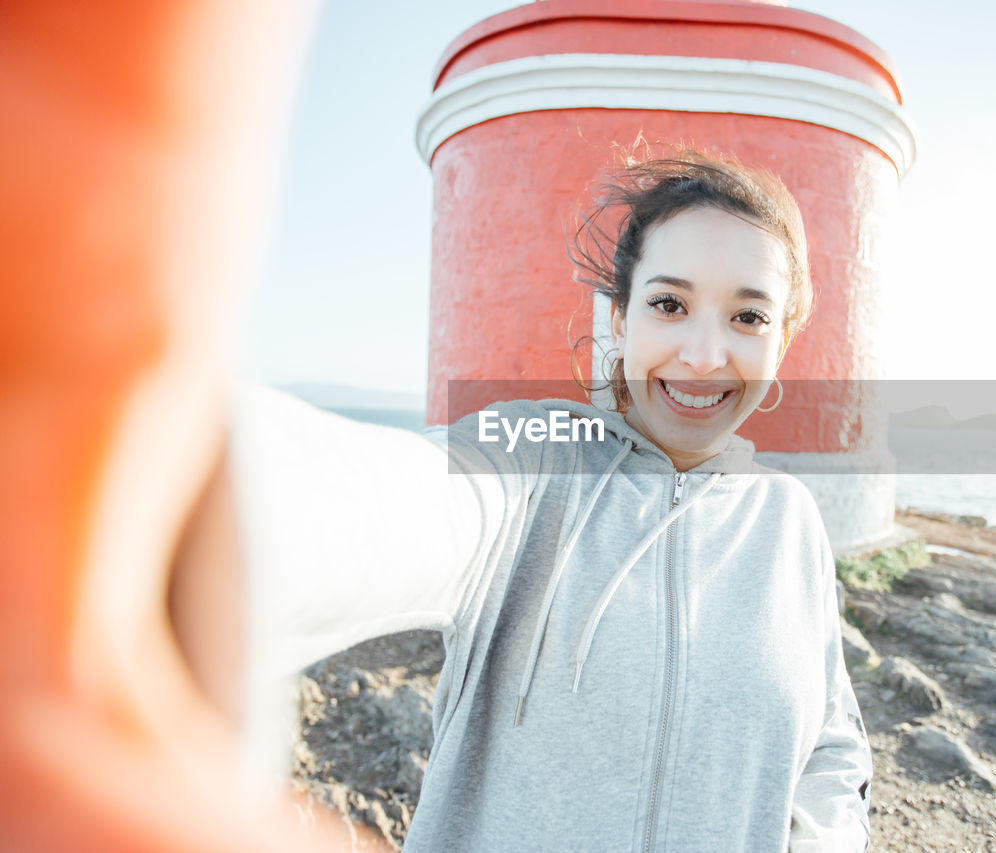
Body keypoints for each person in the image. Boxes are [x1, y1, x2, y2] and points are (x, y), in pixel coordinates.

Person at [231, 150, 873, 851]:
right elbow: (398, 498)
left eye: (748, 317)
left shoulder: (790, 522)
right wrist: (205, 486)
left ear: (782, 343)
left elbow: (832, 747)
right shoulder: (532, 454)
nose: (702, 354)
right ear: (621, 319)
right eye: (669, 304)